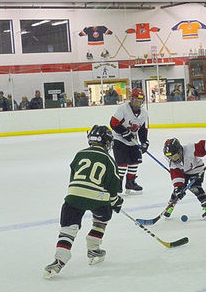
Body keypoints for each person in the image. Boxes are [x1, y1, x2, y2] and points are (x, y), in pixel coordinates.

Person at [43, 125, 123, 278]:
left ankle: (59, 259)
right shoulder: (109, 159)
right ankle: (93, 247)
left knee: (68, 228)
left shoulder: (79, 154)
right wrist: (115, 201)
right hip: (97, 199)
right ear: (107, 142)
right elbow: (113, 185)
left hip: (73, 195)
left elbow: (74, 176)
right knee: (103, 216)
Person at [162, 138, 206, 220]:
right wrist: (178, 188)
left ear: (180, 151)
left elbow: (205, 144)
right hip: (184, 172)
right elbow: (177, 176)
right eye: (170, 157)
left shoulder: (190, 149)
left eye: (174, 156)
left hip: (197, 169)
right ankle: (170, 205)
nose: (173, 159)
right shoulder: (173, 163)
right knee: (177, 191)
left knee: (195, 187)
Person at [109, 87, 149, 194]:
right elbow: (113, 122)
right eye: (135, 100)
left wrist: (145, 142)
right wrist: (124, 132)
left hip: (132, 140)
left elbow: (142, 129)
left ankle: (130, 182)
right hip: (119, 139)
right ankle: (118, 184)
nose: (137, 103)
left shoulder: (144, 113)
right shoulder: (123, 108)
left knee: (135, 161)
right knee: (122, 163)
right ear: (131, 99)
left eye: (140, 101)